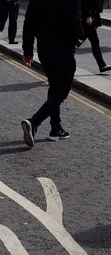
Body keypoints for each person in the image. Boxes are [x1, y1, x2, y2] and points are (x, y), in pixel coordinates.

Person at [21, 0, 84, 148]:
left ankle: (56, 128)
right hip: (63, 49)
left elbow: (29, 21)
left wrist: (27, 51)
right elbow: (75, 18)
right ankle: (33, 122)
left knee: (55, 87)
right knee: (62, 91)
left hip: (44, 49)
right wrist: (79, 37)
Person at [81, 0, 111, 72]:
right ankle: (101, 65)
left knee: (86, 38)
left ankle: (101, 65)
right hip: (87, 15)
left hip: (91, 15)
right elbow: (85, 2)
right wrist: (87, 15)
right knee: (94, 41)